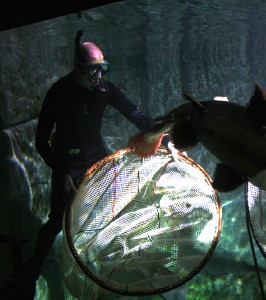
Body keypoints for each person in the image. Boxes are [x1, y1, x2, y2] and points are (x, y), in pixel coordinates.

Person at [8, 30, 161, 299]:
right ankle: (30, 274)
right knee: (57, 220)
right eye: (92, 71)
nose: (99, 77)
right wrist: (62, 170)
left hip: (97, 159)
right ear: (77, 69)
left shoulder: (104, 89)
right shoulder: (59, 92)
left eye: (103, 69)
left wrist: (163, 133)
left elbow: (134, 113)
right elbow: (42, 141)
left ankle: (117, 264)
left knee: (111, 212)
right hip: (67, 164)